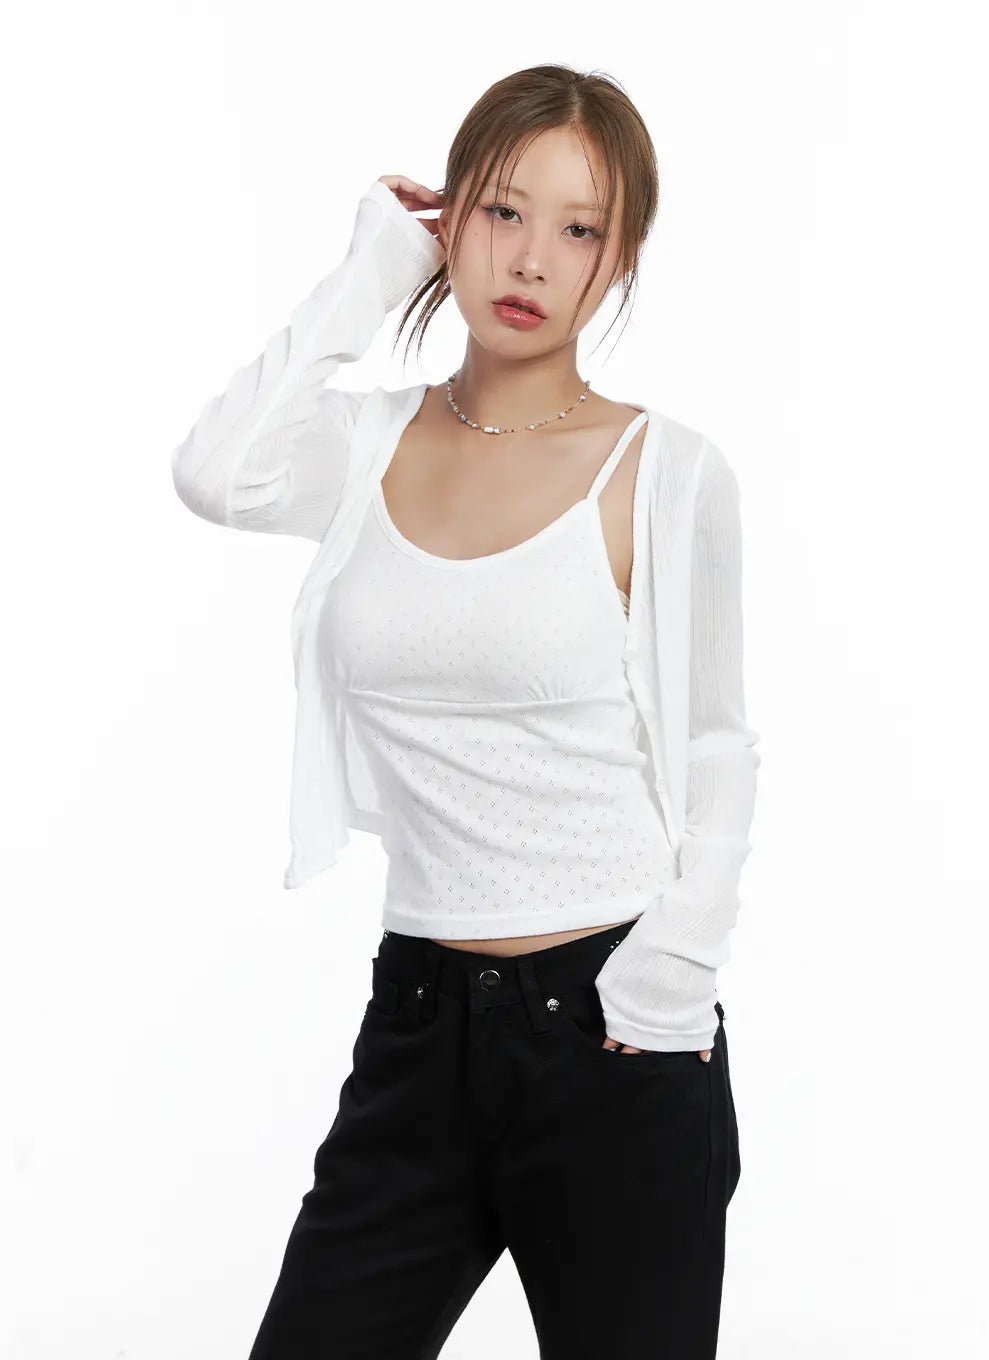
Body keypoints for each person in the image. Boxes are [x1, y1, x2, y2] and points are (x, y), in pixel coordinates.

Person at [172, 61, 760, 1360]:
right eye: (501, 210)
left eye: (580, 228)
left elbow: (719, 741)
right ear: (453, 219)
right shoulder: (365, 446)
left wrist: (674, 970)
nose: (532, 259)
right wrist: (366, 275)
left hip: (615, 1028)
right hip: (420, 1026)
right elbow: (216, 473)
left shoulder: (664, 472)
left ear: (618, 260)